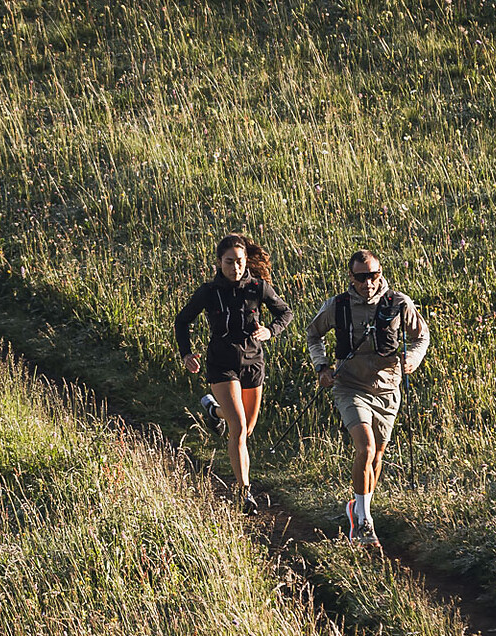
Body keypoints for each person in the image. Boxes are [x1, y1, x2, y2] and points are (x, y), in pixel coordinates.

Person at [303, 249, 430, 545]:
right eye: (361, 277)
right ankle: (364, 522)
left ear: (380, 273)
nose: (368, 282)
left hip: (388, 388)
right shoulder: (338, 306)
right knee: (366, 447)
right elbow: (313, 334)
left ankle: (358, 509)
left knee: (378, 455)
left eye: (373, 275)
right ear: (351, 277)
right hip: (350, 386)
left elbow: (421, 336)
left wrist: (413, 358)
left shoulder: (400, 303)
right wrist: (322, 367)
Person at [174, 234, 293, 514]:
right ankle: (245, 493)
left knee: (246, 430)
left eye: (240, 262)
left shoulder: (257, 287)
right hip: (221, 364)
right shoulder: (208, 292)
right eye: (229, 262)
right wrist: (186, 354)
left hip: (253, 363)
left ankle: (214, 412)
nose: (235, 268)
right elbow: (182, 321)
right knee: (238, 428)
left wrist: (270, 331)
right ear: (219, 262)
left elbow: (285, 313)